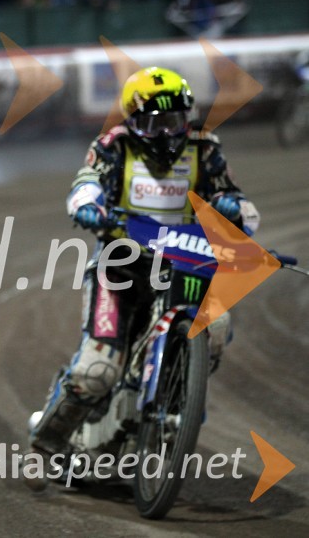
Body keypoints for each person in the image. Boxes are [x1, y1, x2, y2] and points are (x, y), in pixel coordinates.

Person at [24, 66, 260, 489]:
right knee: (97, 371)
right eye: (156, 122)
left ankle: (174, 395)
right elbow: (87, 181)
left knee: (217, 328)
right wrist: (87, 204)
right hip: (120, 266)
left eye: (175, 119)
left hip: (185, 266)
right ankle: (47, 443)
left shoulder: (205, 148)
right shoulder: (113, 145)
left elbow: (230, 192)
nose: (168, 131)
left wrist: (230, 206)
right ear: (134, 120)